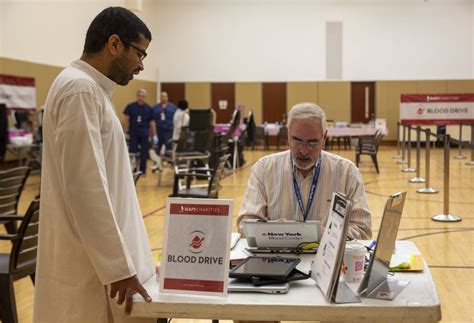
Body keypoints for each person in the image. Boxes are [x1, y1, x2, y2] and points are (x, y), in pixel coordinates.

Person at [34, 7, 156, 323]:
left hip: (103, 261)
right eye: (140, 53)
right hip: (91, 268)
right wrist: (118, 268)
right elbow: (86, 188)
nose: (141, 65)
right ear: (114, 44)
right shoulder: (79, 89)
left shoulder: (91, 90)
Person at [237, 103, 372, 240]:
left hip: (326, 258)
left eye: (312, 143)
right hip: (276, 258)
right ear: (288, 135)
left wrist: (323, 234)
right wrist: (275, 231)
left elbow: (362, 230)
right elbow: (245, 225)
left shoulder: (347, 173)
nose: (303, 150)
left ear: (324, 138)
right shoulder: (264, 169)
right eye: (297, 141)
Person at [124, 88, 154, 175]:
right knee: (133, 152)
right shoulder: (130, 106)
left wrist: (153, 135)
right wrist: (125, 131)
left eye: (143, 96)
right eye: (140, 96)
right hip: (133, 132)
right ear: (137, 96)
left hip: (144, 133)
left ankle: (142, 171)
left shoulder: (149, 108)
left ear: (145, 97)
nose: (141, 98)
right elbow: (126, 119)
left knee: (143, 153)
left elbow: (152, 122)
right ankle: (132, 170)